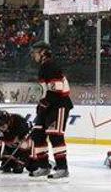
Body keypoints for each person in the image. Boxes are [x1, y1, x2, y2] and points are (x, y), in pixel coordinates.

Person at [29, 41, 74, 179]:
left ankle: (62, 168)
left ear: (43, 52)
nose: (33, 55)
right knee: (37, 134)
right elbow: (46, 90)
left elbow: (57, 89)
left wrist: (45, 104)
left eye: (35, 51)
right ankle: (44, 166)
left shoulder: (51, 66)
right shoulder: (44, 67)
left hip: (59, 104)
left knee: (55, 135)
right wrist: (41, 105)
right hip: (49, 105)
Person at [0, 110, 31, 174]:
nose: (0, 128)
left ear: (8, 121)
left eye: (2, 126)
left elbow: (27, 142)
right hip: (9, 145)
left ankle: (23, 160)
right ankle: (9, 160)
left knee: (19, 168)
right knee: (6, 165)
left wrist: (21, 161)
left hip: (22, 146)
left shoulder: (19, 122)